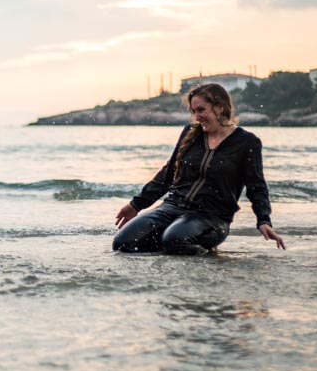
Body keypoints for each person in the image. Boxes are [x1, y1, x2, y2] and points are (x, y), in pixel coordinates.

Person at [113, 83, 285, 255]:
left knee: (175, 240)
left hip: (212, 217)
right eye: (193, 111)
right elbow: (169, 173)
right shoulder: (190, 133)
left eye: (201, 110)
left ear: (220, 107)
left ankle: (206, 255)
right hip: (172, 207)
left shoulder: (247, 142)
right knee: (123, 243)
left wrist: (264, 220)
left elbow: (256, 186)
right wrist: (136, 205)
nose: (196, 117)